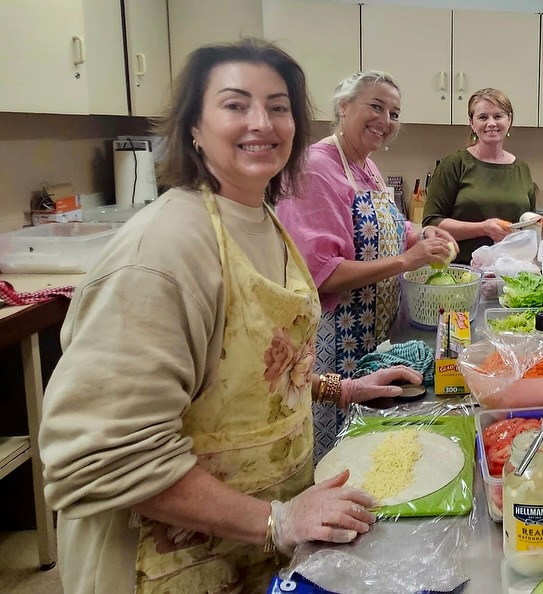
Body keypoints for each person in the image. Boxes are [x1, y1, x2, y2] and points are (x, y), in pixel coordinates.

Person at [39, 40, 423, 594]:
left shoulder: (263, 220)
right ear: (194, 125)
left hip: (247, 550)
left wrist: (341, 386)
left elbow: (248, 372)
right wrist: (277, 521)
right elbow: (101, 457)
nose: (261, 123)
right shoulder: (163, 252)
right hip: (164, 565)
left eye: (279, 106)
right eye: (236, 104)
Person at [276, 71, 455, 459]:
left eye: (394, 113)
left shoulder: (367, 168)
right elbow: (320, 274)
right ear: (343, 107)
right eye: (376, 106)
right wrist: (407, 260)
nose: (386, 121)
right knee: (337, 452)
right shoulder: (314, 170)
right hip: (334, 344)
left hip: (374, 336)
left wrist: (422, 235)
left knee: (370, 451)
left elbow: (389, 226)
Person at [423, 88, 538, 264]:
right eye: (483, 117)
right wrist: (483, 228)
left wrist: (538, 225)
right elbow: (432, 223)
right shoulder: (455, 164)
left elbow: (527, 223)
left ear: (509, 120)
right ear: (472, 123)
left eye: (498, 116)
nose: (491, 123)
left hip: (509, 273)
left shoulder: (521, 168)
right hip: (462, 273)